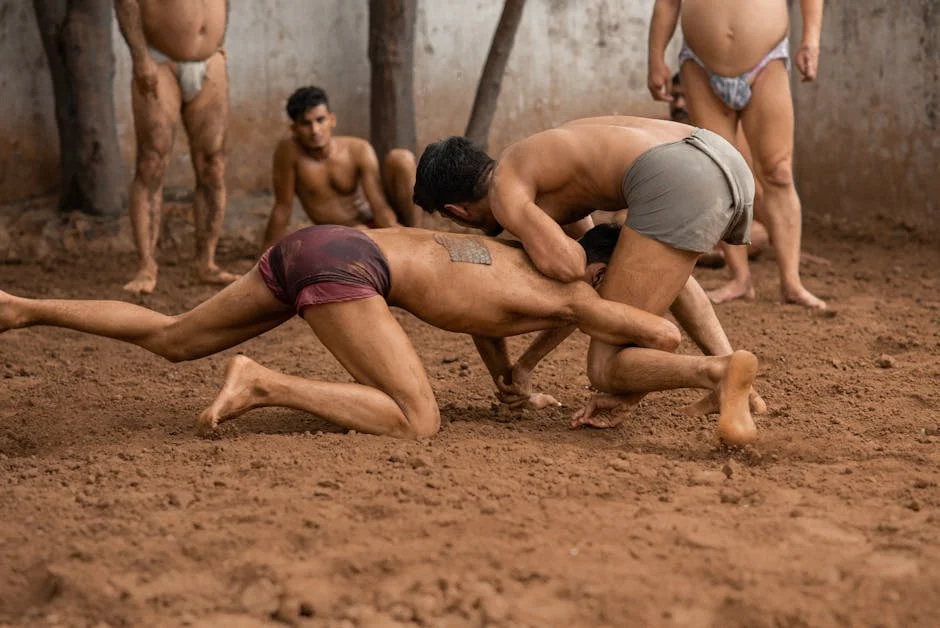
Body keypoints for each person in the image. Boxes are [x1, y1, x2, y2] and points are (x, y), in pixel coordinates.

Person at [0, 224, 760, 445]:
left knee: (170, 336)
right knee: (417, 419)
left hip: (319, 240)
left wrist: (514, 375)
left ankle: (23, 307)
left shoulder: (510, 252)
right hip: (352, 270)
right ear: (597, 272)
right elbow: (655, 332)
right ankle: (262, 382)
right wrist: (629, 310)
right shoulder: (570, 293)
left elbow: (479, 317)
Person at [413, 117, 763, 440]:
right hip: (719, 154)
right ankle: (742, 388)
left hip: (677, 176)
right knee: (646, 266)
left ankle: (719, 372)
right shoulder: (532, 162)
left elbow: (569, 270)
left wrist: (522, 259)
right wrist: (524, 366)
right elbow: (593, 276)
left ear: (456, 212)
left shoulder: (505, 190)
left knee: (605, 367)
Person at [647, 0, 826, 308]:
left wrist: (811, 40)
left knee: (778, 171)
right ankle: (740, 278)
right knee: (721, 173)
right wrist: (655, 57)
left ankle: (792, 283)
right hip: (699, 63)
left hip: (766, 60)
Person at [115, 0, 237, 294]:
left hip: (210, 60)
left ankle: (206, 263)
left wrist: (219, 39)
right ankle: (146, 266)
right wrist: (140, 55)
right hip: (159, 60)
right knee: (152, 160)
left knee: (213, 164)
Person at [260, 86, 421, 252]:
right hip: (341, 235)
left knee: (402, 158)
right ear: (294, 129)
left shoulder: (358, 149)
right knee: (359, 232)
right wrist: (263, 258)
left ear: (332, 120)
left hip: (375, 224)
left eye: (320, 120)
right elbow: (282, 208)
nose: (315, 130)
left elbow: (379, 206)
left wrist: (399, 233)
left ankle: (419, 235)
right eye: (306, 123)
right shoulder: (289, 152)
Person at [669, 73, 770, 270]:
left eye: (686, 97)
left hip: (714, 227)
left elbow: (754, 193)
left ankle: (696, 256)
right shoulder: (662, 129)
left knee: (758, 235)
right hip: (670, 223)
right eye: (674, 97)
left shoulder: (729, 136)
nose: (679, 104)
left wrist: (782, 242)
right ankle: (696, 255)